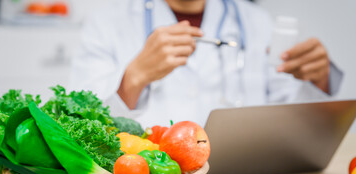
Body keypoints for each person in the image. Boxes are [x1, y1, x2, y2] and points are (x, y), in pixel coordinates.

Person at [70, 0, 343, 128]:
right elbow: (80, 122)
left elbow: (289, 118)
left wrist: (316, 79)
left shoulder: (256, 20)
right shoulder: (105, 22)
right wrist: (134, 78)